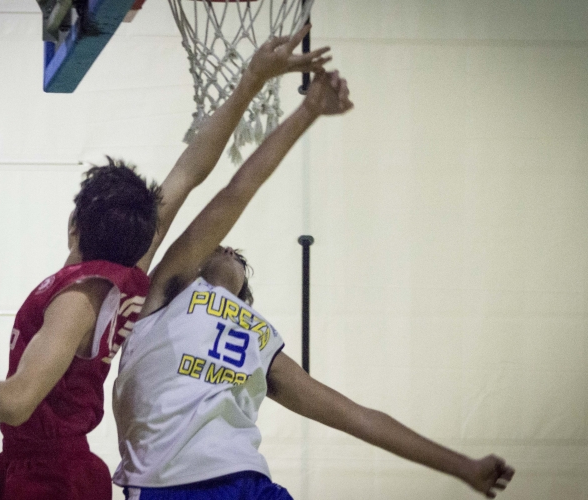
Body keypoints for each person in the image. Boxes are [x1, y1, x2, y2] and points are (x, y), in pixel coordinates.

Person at [0, 26, 330, 500]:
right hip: (59, 466)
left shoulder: (78, 300)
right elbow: (189, 170)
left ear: (74, 224)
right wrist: (250, 82)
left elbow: (18, 402)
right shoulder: (131, 269)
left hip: (48, 475)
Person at [112, 70, 516, 500]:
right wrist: (306, 111)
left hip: (250, 481)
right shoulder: (169, 291)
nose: (228, 249)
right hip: (167, 484)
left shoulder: (260, 335)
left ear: (246, 293)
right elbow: (238, 190)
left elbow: (357, 417)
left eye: (237, 255)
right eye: (221, 247)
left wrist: (463, 466)